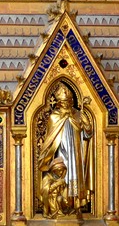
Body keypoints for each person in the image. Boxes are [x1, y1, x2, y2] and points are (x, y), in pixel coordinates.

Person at [36, 82, 92, 218]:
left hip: (76, 152)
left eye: (68, 101)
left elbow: (87, 136)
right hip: (61, 152)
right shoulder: (53, 117)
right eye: (63, 101)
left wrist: (86, 124)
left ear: (72, 101)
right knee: (62, 175)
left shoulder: (78, 114)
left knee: (75, 175)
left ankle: (75, 205)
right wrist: (46, 157)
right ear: (58, 102)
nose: (66, 104)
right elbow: (49, 139)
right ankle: (60, 205)